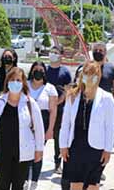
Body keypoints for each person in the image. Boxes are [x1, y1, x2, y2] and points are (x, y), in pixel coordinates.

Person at [0, 67, 45, 190]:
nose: (15, 83)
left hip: (23, 150)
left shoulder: (30, 103)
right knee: (3, 184)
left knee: (18, 185)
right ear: (7, 82)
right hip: (2, 151)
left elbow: (39, 129)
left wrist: (39, 150)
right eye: (12, 80)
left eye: (18, 80)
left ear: (23, 83)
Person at [60, 61, 114, 190]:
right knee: (75, 185)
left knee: (92, 185)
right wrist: (63, 146)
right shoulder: (72, 95)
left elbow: (110, 127)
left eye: (93, 74)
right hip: (75, 147)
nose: (90, 78)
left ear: (99, 76)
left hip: (96, 149)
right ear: (82, 76)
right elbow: (66, 123)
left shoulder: (107, 98)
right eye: (87, 74)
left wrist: (108, 150)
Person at [25, 61, 58, 189]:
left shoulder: (50, 88)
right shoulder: (25, 85)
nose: (38, 72)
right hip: (26, 121)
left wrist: (50, 129)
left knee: (38, 151)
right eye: (35, 69)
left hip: (42, 122)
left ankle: (34, 181)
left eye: (41, 70)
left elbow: (53, 111)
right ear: (32, 71)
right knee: (26, 150)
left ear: (44, 73)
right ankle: (24, 179)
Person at [46, 45, 72, 174]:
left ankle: (57, 163)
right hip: (45, 108)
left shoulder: (65, 72)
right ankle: (32, 161)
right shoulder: (44, 70)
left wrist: (59, 101)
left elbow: (68, 90)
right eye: (52, 52)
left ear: (61, 55)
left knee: (57, 136)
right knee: (41, 135)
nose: (53, 54)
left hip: (60, 109)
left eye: (56, 52)